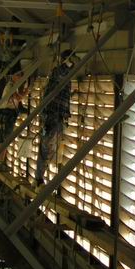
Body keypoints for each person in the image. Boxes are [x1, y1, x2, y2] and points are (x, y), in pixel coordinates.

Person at [34, 49, 78, 186]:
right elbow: (60, 73)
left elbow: (59, 93)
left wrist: (71, 95)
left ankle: (40, 178)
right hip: (51, 116)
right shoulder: (57, 72)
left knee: (51, 149)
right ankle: (38, 179)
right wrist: (69, 62)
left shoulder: (65, 78)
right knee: (47, 149)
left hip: (57, 117)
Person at [0, 69, 28, 166]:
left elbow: (17, 100)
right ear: (14, 76)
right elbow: (18, 98)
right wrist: (27, 91)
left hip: (6, 114)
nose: (20, 79)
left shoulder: (13, 86)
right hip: (6, 114)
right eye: (19, 76)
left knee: (3, 139)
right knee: (4, 139)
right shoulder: (10, 86)